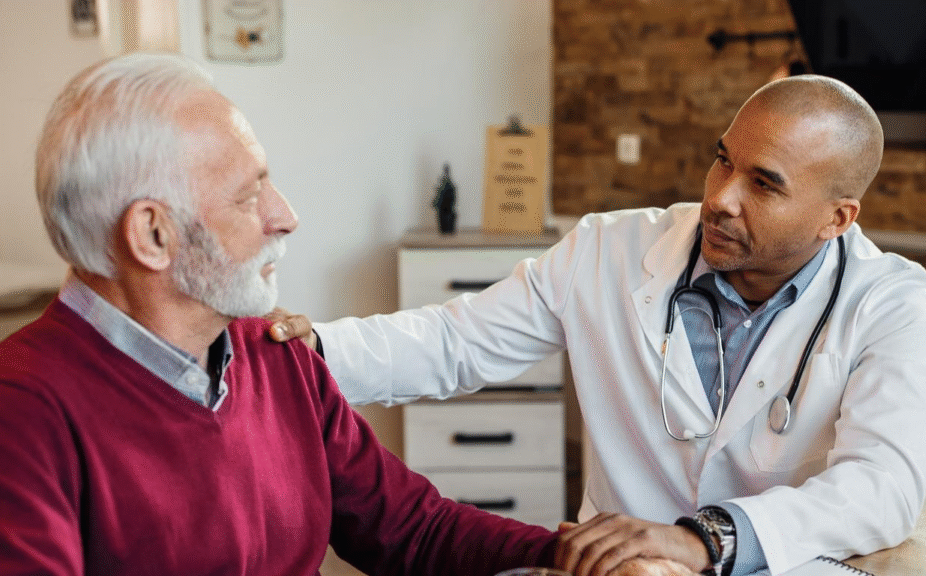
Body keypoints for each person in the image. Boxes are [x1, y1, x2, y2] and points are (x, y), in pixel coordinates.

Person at [270, 74, 926, 576]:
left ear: (838, 219)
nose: (720, 197)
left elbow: (881, 486)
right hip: (611, 568)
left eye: (763, 184)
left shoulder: (887, 302)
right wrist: (309, 350)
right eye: (722, 159)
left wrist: (710, 537)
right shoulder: (609, 249)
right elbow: (455, 343)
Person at [0, 53, 564, 576]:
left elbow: (414, 531)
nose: (286, 216)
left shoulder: (277, 353)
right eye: (249, 197)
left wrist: (570, 556)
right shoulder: (23, 412)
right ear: (153, 235)